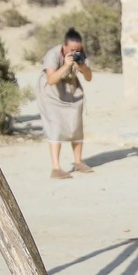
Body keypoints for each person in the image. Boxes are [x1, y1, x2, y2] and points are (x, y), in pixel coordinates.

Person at [39, 28, 92, 179]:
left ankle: (78, 162)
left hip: (72, 91)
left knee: (76, 125)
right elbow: (51, 80)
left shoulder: (80, 54)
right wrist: (66, 65)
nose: (75, 52)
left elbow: (88, 77)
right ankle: (56, 168)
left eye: (77, 49)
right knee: (55, 127)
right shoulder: (53, 54)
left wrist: (82, 66)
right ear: (64, 46)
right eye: (72, 49)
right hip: (51, 94)